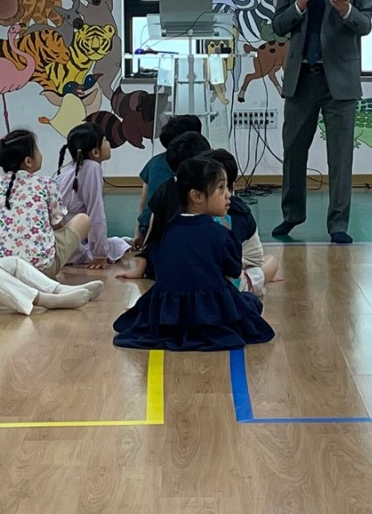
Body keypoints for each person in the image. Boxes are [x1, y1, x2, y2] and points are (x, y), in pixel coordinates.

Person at [269, 0, 372, 245]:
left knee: (340, 157)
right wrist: (297, 6)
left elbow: (365, 25)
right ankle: (292, 215)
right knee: (293, 151)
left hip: (340, 81)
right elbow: (278, 25)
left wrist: (347, 11)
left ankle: (338, 224)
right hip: (301, 78)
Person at [113, 156, 276, 351]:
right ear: (196, 196)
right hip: (211, 313)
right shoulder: (222, 235)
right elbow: (231, 275)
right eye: (221, 188)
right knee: (250, 303)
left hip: (169, 315)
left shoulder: (163, 234)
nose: (228, 195)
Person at [0, 143, 103, 314]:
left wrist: (4, 268)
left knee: (13, 262)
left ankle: (58, 289)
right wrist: (2, 275)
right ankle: (44, 300)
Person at [0, 129, 91, 278]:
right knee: (83, 220)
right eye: (37, 149)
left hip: (2, 271)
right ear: (28, 161)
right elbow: (58, 224)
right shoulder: (46, 183)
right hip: (43, 268)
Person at [118, 130, 213, 281]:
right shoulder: (194, 192)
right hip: (187, 267)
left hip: (168, 266)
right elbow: (154, 226)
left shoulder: (168, 187)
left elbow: (153, 226)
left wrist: (140, 267)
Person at [207, 148, 280, 297]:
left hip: (234, 272)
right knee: (270, 262)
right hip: (225, 283)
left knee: (270, 261)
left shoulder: (233, 216)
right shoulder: (221, 218)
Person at [57, 122, 130, 269]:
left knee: (118, 243)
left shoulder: (68, 171)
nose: (109, 144)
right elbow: (95, 213)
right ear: (95, 152)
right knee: (117, 246)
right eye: (105, 140)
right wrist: (99, 255)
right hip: (70, 246)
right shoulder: (92, 167)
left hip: (60, 242)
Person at [132, 114, 202, 248]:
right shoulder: (192, 167)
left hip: (147, 228)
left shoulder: (154, 162)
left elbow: (143, 202)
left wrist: (138, 234)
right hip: (172, 229)